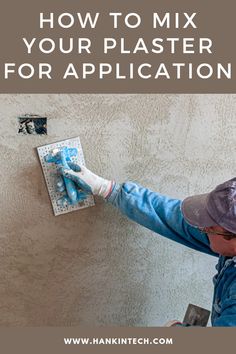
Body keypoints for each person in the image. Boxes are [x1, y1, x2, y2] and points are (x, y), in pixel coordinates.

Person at [58, 162, 236, 327]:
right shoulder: (226, 235)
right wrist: (108, 190)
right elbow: (174, 218)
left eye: (208, 227)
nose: (201, 227)